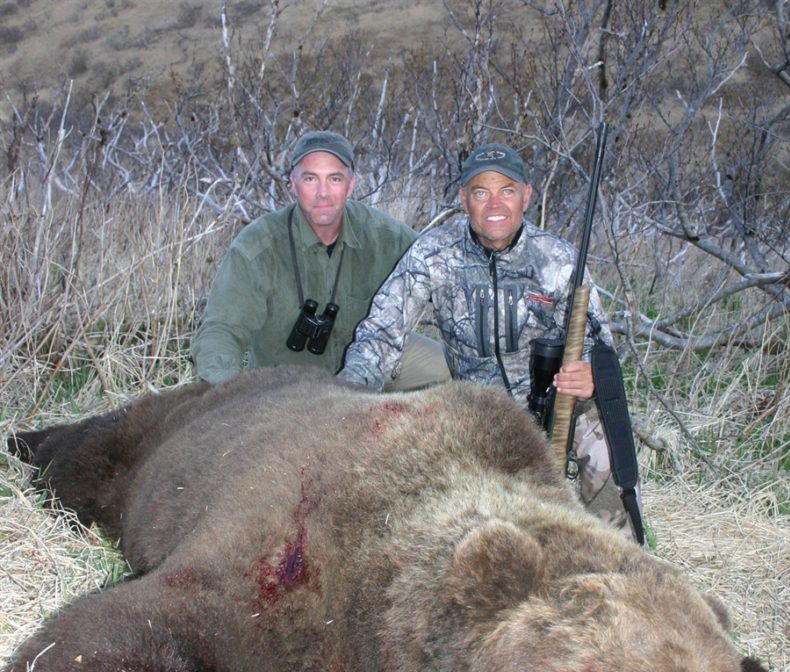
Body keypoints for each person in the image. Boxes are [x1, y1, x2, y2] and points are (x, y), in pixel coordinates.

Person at [339, 142, 639, 536]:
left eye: (507, 191)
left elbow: (602, 348)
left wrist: (590, 375)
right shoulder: (433, 255)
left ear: (527, 196)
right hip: (473, 415)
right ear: (464, 199)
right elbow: (380, 333)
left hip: (552, 411)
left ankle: (623, 555)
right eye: (481, 192)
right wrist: (344, 399)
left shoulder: (560, 261)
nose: (494, 204)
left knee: (603, 438)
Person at [190, 130, 425, 386]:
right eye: (311, 179)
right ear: (293, 183)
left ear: (351, 184)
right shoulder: (257, 247)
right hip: (289, 394)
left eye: (334, 179)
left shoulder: (387, 237)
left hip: (372, 374)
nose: (323, 193)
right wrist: (229, 397)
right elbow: (221, 331)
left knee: (444, 368)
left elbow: (440, 267)